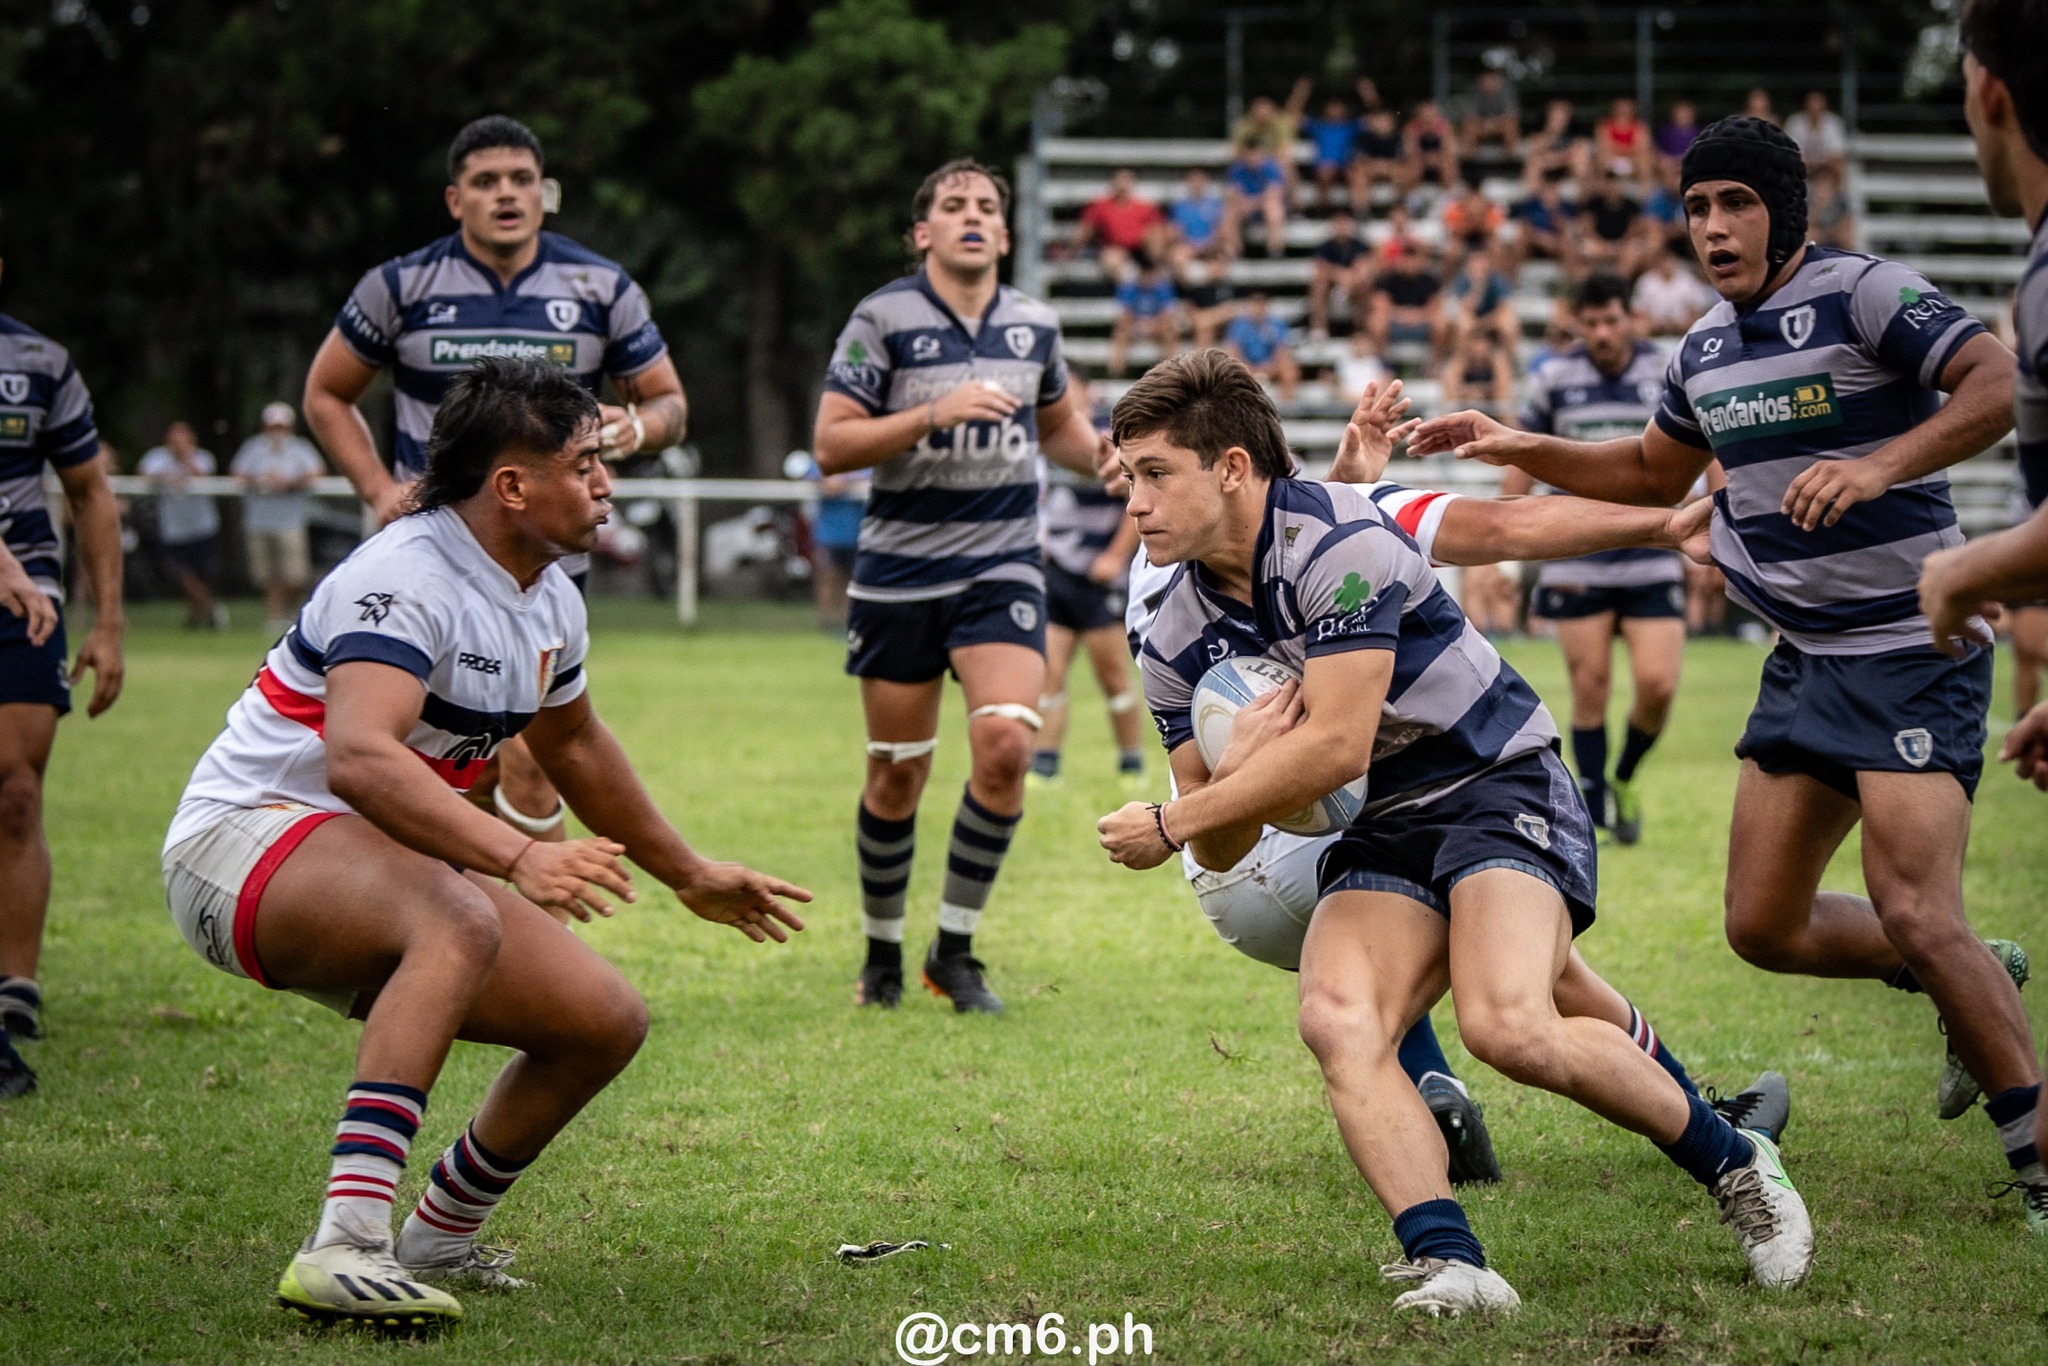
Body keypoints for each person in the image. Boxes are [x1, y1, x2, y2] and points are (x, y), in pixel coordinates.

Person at [1410, 115, 2047, 1229]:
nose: (1710, 226)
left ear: (1781, 209)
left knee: (1912, 903)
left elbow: (1995, 385)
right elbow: (1652, 466)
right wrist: (1518, 445)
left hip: (1908, 649)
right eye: (1696, 207)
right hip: (1800, 661)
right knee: (1760, 924)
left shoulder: (1863, 293)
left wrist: (1875, 464)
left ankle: (2035, 1158)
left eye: (1734, 204)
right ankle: (1952, 970)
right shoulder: (1704, 346)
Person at [1098, 352, 1812, 1314]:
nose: (1132, 503)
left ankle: (1739, 1170)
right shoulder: (1173, 634)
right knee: (1338, 1020)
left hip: (1492, 780)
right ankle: (1455, 1264)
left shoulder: (1339, 541)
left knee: (1508, 1023)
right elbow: (1221, 847)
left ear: (1231, 467)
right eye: (1126, 474)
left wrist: (1174, 816)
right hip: (1382, 825)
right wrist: (1222, 789)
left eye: (1153, 474)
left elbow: (1340, 743)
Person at [161, 357, 808, 1326]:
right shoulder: (403, 575)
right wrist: (516, 855)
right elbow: (359, 760)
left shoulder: (545, 589)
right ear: (512, 485)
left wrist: (688, 872)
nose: (605, 481)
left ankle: (438, 1237)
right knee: (457, 912)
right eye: (586, 462)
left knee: (602, 1020)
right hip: (238, 844)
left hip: (367, 862)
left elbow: (575, 743)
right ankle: (344, 1243)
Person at [303, 115, 688, 852]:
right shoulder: (402, 285)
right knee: (448, 763)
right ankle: (467, 928)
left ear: (546, 193)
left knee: (531, 756)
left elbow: (670, 402)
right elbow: (327, 393)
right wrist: (379, 488)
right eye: (485, 182)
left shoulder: (599, 286)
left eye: (520, 180)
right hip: (429, 556)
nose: (505, 195)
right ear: (456, 200)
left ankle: (542, 947)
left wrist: (638, 428)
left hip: (540, 560)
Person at [815, 158, 1109, 1014]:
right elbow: (832, 445)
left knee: (1008, 747)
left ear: (1006, 233)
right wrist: (931, 415)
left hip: (1003, 563)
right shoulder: (884, 318)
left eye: (986, 206)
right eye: (953, 205)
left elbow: (1058, 428)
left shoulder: (1034, 326)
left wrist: (1112, 457)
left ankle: (956, 949)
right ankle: (881, 952)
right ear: (923, 233)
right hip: (900, 570)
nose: (972, 216)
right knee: (896, 776)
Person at [1502, 274, 1691, 844]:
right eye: (1592, 323)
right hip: (1576, 553)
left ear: (1630, 315)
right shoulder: (1554, 378)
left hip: (1654, 548)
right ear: (1576, 323)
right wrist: (1505, 540)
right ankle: (1592, 804)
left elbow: (1706, 452)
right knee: (1591, 687)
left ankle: (1626, 774)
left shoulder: (1666, 369)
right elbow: (1525, 456)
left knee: (1657, 685)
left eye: (1612, 319)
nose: (1603, 333)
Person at [0, 263, 127, 1099]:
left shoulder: (39, 362)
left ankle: (15, 990)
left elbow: (87, 489)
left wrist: (110, 623)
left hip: (27, 602)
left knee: (14, 791)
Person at [1033, 377, 1146, 788]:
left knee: (1113, 674)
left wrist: (1116, 556)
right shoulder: (1043, 443)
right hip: (1057, 574)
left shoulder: (1109, 444)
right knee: (1048, 673)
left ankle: (1131, 763)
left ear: (1087, 393)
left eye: (1068, 390)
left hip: (1100, 579)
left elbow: (1138, 501)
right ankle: (1044, 766)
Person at [231, 402, 327, 632]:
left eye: (282, 427)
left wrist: (290, 483)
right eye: (273, 426)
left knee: (295, 574)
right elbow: (238, 472)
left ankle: (289, 612)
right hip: (259, 520)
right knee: (268, 575)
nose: (277, 431)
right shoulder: (254, 447)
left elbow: (317, 470)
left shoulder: (299, 448)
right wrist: (261, 480)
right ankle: (274, 617)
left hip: (290, 521)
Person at [140, 422, 225, 630]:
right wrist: (167, 476)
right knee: (183, 575)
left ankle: (195, 617)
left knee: (203, 575)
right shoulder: (157, 458)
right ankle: (209, 610)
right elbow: (143, 476)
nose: (177, 444)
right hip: (173, 529)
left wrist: (185, 458)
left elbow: (202, 475)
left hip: (202, 526)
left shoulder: (203, 457)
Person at [798, 454, 866, 630]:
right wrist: (828, 481)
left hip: (855, 533)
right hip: (827, 534)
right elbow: (809, 476)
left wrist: (845, 480)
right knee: (826, 576)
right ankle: (826, 622)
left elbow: (873, 476)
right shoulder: (825, 456)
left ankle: (847, 622)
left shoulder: (864, 458)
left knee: (851, 580)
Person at [1075, 169, 1167, 283]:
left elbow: (1159, 227)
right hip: (1115, 248)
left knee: (1156, 235)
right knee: (1111, 260)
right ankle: (1129, 291)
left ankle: (1155, 275)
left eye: (1127, 181)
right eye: (1120, 180)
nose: (1123, 185)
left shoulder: (1143, 206)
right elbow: (1086, 228)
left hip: (1141, 250)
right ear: (1113, 183)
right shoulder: (1101, 206)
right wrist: (1073, 249)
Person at [1368, 246, 1447, 371]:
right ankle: (1383, 363)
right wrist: (1402, 314)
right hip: (1395, 322)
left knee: (1441, 323)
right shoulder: (1388, 279)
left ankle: (1435, 363)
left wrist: (1417, 315)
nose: (1410, 264)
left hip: (1422, 323)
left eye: (1413, 259)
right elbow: (1380, 303)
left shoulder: (1429, 280)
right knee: (1376, 321)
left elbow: (1435, 305)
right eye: (1407, 259)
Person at [1109, 255, 1180, 378]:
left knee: (1169, 330)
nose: (1147, 278)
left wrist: (1151, 325)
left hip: (1156, 327)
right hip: (1135, 326)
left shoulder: (1163, 288)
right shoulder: (1129, 288)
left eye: (1150, 274)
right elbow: (1124, 315)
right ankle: (1115, 375)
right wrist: (1139, 325)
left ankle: (1173, 372)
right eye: (1145, 274)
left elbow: (1167, 315)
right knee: (1121, 331)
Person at [1222, 294, 1300, 403]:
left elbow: (1282, 352)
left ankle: (1287, 406)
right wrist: (1250, 369)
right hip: (1246, 367)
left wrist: (1267, 368)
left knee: (1289, 371)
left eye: (1261, 306)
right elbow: (1233, 352)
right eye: (1254, 305)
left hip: (1271, 366)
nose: (1257, 310)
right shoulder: (1238, 325)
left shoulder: (1277, 325)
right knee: (1229, 369)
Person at [1307, 211, 1372, 339]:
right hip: (1332, 285)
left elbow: (1364, 270)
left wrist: (1347, 279)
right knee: (1319, 285)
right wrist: (1342, 275)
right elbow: (1320, 268)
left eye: (1344, 223)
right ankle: (1318, 329)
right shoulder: (1324, 247)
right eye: (1338, 223)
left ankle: (1360, 331)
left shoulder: (1360, 246)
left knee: (1363, 285)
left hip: (1354, 286)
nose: (1341, 227)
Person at [1631, 243, 1718, 337]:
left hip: (1683, 329)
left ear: (1675, 262)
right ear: (1658, 263)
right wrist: (1654, 325)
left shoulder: (1687, 281)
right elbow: (1638, 311)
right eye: (1664, 262)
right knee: (1638, 325)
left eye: (1670, 261)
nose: (1667, 265)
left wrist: (1684, 325)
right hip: (1654, 330)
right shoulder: (1646, 281)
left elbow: (1697, 310)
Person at [1223, 142, 1290, 260]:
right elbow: (1232, 194)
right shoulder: (1237, 169)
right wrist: (1244, 204)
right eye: (1250, 154)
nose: (1253, 158)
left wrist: (1253, 203)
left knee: (1274, 208)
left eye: (1256, 154)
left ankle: (1274, 249)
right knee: (1229, 212)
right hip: (1245, 207)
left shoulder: (1271, 167)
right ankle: (1235, 250)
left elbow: (1274, 193)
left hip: (1263, 206)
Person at [1447, 246, 1518, 354]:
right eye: (1476, 260)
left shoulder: (1498, 280)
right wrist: (1478, 286)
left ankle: (1510, 360)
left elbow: (1503, 308)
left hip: (1492, 321)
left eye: (1482, 260)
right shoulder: (1462, 281)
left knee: (1508, 322)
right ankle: (1462, 359)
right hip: (1471, 322)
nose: (1480, 264)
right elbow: (1464, 307)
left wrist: (1484, 324)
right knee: (1462, 321)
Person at [1303, 97, 1361, 213]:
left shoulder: (1350, 127)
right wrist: (1302, 91)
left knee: (1356, 175)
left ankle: (1358, 213)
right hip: (1325, 166)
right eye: (1332, 108)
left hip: (1345, 165)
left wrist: (1367, 92)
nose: (1335, 111)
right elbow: (1294, 116)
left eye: (1338, 108)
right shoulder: (1318, 126)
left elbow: (1375, 117)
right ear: (1326, 110)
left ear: (1344, 110)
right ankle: (1323, 212)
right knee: (1324, 173)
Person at [1440, 328, 1515, 412]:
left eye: (1483, 342)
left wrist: (1481, 391)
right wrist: (1469, 392)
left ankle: (1506, 424)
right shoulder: (1460, 359)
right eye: (1476, 342)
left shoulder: (1497, 359)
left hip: (1490, 401)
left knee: (1503, 401)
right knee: (1451, 401)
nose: (1479, 347)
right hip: (1464, 400)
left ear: (1489, 344)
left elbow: (1503, 386)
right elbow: (1450, 386)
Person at [1784, 90, 1847, 182]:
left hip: (1825, 167)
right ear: (1805, 106)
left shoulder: (1833, 123)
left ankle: (1839, 195)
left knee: (1838, 167)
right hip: (1803, 166)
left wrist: (1817, 163)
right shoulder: (1795, 122)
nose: (1815, 109)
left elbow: (1837, 155)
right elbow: (1792, 154)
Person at [1166, 169, 1227, 266]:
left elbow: (1220, 229)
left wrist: (1207, 244)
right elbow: (1177, 231)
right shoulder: (1179, 206)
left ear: (1205, 182)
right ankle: (1182, 281)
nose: (1197, 184)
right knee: (1177, 258)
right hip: (1188, 246)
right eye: (1194, 181)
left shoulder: (1216, 205)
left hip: (1211, 246)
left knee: (1221, 258)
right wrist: (1194, 245)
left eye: (1200, 181)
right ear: (1188, 183)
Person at [1351, 107, 1408, 207]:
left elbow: (1403, 159)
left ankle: (1401, 207)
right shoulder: (1364, 137)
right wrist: (1376, 164)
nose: (1381, 123)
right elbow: (1358, 158)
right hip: (1370, 168)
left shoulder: (1399, 138)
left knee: (1403, 173)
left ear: (1392, 122)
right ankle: (1361, 211)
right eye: (1378, 120)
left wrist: (1386, 165)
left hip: (1391, 168)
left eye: (1385, 120)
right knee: (1358, 174)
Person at [1522, 99, 1582, 191]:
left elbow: (1577, 150)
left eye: (1564, 113)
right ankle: (1533, 200)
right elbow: (1536, 152)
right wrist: (1553, 132)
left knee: (1580, 158)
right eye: (1556, 113)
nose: (1560, 117)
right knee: (1534, 163)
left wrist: (1558, 158)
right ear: (1548, 114)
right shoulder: (1538, 132)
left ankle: (1583, 199)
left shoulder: (1576, 131)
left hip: (1566, 168)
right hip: (1546, 167)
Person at [1403, 100, 1460, 191]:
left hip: (1440, 156)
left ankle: (1448, 191)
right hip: (1420, 157)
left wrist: (1436, 157)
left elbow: (1451, 149)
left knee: (1448, 163)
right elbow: (1409, 150)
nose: (1427, 117)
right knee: (1413, 164)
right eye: (1424, 114)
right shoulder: (1411, 128)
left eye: (1430, 113)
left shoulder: (1445, 126)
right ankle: (1411, 192)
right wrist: (1424, 157)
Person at [1593, 97, 1652, 183]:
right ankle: (1602, 186)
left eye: (1626, 107)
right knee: (1602, 157)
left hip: (1634, 159)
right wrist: (1628, 149)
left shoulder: (1640, 126)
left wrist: (1619, 149)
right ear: (1614, 109)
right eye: (1620, 107)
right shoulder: (1603, 125)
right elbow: (1604, 145)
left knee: (1644, 158)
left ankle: (1644, 188)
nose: (1623, 110)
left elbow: (1642, 147)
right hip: (1611, 157)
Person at [1461, 71, 1520, 155]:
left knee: (1510, 126)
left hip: (1500, 127)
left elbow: (1512, 115)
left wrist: (1493, 124)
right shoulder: (1475, 90)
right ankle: (1468, 162)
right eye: (1484, 79)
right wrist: (1486, 124)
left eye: (1490, 79)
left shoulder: (1506, 90)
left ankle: (1511, 160)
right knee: (1469, 126)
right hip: (1481, 127)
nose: (1487, 82)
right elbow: (1469, 116)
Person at [1331, 330, 1392, 408]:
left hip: (1372, 405)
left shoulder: (1376, 362)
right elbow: (1339, 390)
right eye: (1357, 343)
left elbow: (1384, 385)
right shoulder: (1342, 364)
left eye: (1362, 343)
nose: (1359, 347)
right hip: (1347, 406)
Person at [1655, 101, 1701, 182]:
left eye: (1686, 113)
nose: (1683, 116)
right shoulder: (1665, 131)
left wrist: (1683, 159)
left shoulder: (1699, 133)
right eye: (1680, 113)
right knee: (1665, 166)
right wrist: (1667, 159)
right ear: (1673, 115)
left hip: (1688, 162)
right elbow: (1656, 149)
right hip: (1669, 163)